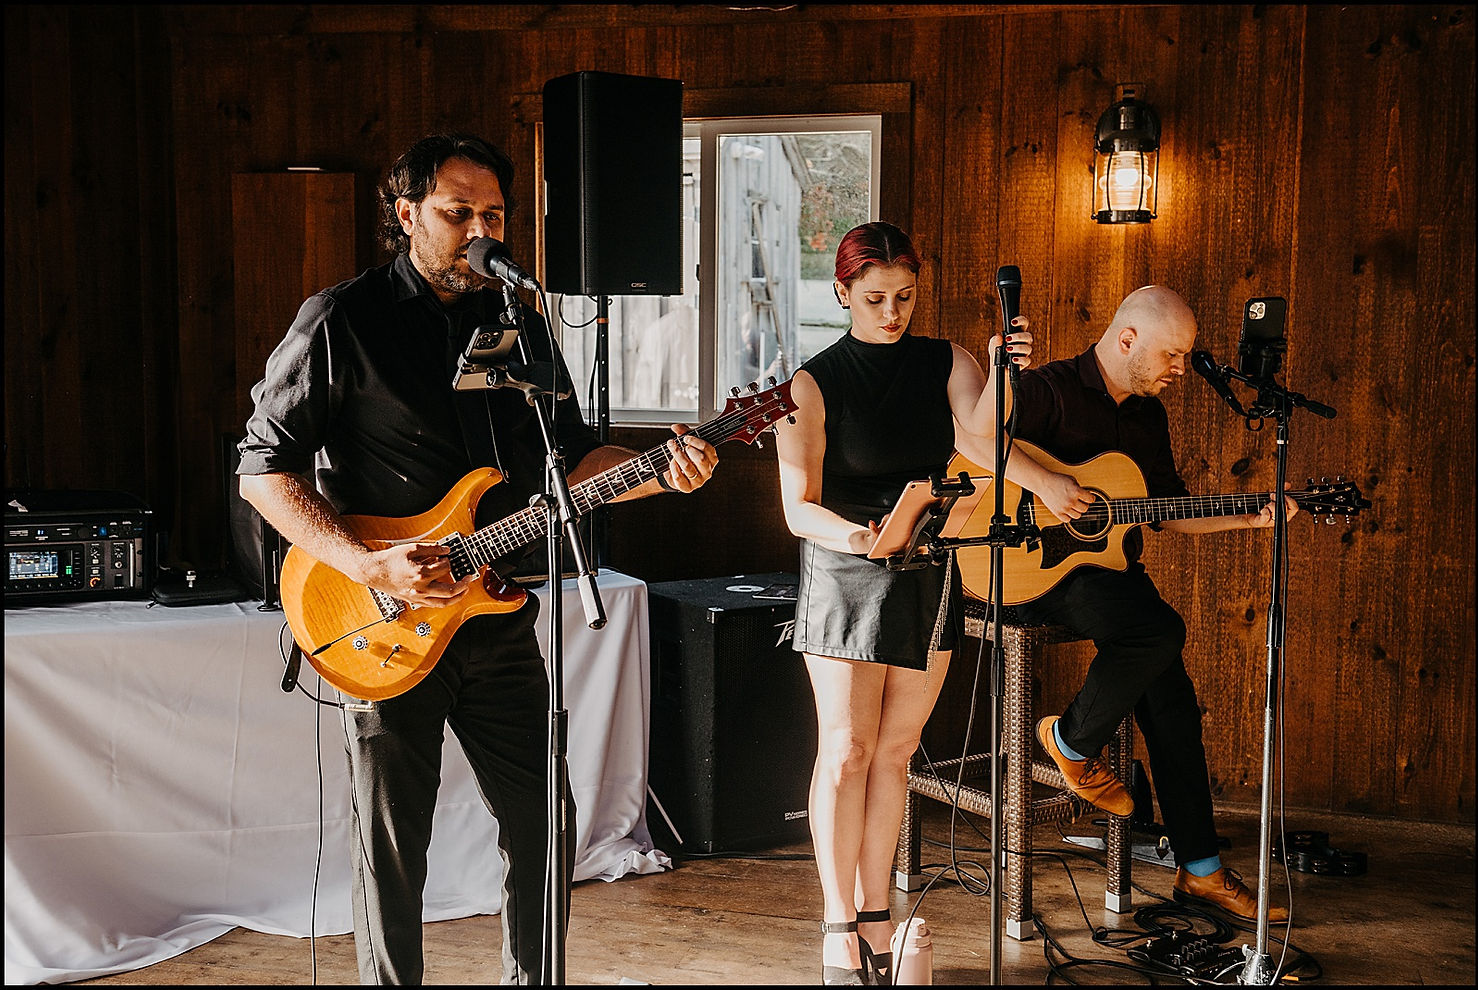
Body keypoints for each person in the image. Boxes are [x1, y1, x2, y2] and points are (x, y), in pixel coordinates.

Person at [236, 132, 718, 985]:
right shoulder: (342, 319)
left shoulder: (519, 321)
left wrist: (662, 473)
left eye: (492, 215)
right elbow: (261, 471)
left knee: (546, 820)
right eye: (457, 213)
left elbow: (574, 464)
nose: (479, 231)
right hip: (385, 619)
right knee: (394, 844)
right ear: (407, 213)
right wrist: (366, 565)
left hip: (495, 616)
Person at [774, 221, 1033, 985]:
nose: (893, 313)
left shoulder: (946, 360)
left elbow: (983, 439)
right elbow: (798, 508)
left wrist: (1003, 372)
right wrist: (863, 538)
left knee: (894, 752)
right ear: (843, 293)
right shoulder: (809, 383)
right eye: (876, 298)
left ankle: (877, 915)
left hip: (928, 565)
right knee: (846, 752)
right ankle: (837, 925)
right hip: (845, 569)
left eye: (906, 297)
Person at [1006, 284, 1296, 924]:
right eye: (1172, 354)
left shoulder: (1147, 418)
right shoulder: (1048, 390)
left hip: (1108, 574)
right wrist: (1047, 485)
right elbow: (976, 449)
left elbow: (1169, 510)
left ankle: (1200, 870)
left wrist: (1250, 517)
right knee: (1159, 631)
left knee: (1173, 703)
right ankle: (1070, 741)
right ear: (1127, 339)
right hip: (1028, 573)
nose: (1180, 369)